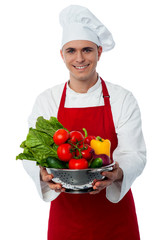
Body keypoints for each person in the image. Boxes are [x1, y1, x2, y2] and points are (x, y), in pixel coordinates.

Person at [23, 5, 146, 240]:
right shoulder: (47, 100)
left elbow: (135, 152)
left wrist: (118, 173)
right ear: (62, 54)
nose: (79, 58)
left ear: (99, 52)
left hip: (115, 218)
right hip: (66, 218)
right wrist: (41, 173)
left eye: (87, 50)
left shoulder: (122, 98)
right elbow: (31, 153)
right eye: (71, 50)